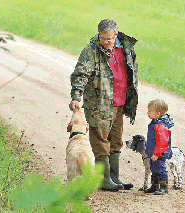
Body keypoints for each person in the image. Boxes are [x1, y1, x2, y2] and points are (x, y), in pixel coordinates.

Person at [69, 18, 138, 191]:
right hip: (99, 104)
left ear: (116, 33)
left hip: (120, 102)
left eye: (110, 38)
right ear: (99, 34)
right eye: (103, 38)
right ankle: (103, 179)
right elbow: (80, 75)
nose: (107, 41)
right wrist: (76, 97)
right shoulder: (90, 51)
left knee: (116, 140)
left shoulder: (126, 47)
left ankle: (114, 177)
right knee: (100, 141)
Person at [145, 99, 174, 195]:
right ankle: (154, 186)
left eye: (150, 111)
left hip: (159, 153)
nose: (148, 113)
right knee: (154, 169)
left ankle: (164, 187)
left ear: (158, 113)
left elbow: (162, 142)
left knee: (160, 169)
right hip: (153, 152)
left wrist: (157, 153)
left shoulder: (160, 125)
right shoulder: (154, 122)